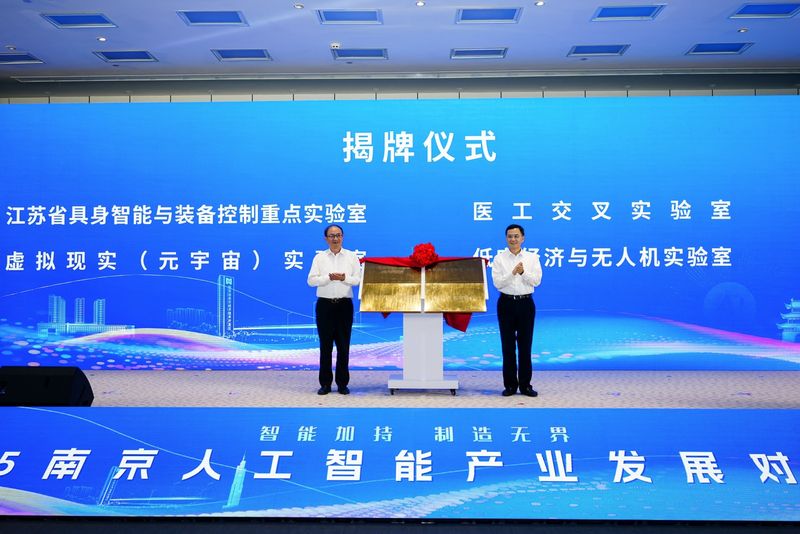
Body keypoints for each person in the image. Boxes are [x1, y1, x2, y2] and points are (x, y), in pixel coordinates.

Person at [307, 224, 362, 395]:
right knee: (325, 346)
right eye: (332, 236)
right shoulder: (319, 258)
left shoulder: (352, 256)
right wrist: (328, 277)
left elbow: (358, 280)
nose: (335, 238)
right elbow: (311, 280)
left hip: (344, 305)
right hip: (325, 305)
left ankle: (342, 383)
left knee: (343, 346)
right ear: (326, 239)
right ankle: (325, 384)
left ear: (343, 237)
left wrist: (344, 278)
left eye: (338, 235)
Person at [491, 223, 543, 397]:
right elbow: (498, 283)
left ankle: (525, 385)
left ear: (523, 238)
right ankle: (510, 385)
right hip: (506, 304)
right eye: (510, 236)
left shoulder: (532, 258)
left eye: (516, 236)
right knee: (507, 347)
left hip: (525, 304)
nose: (513, 239)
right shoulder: (499, 259)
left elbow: (536, 281)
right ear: (506, 238)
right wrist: (512, 272)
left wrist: (523, 273)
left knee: (525, 346)